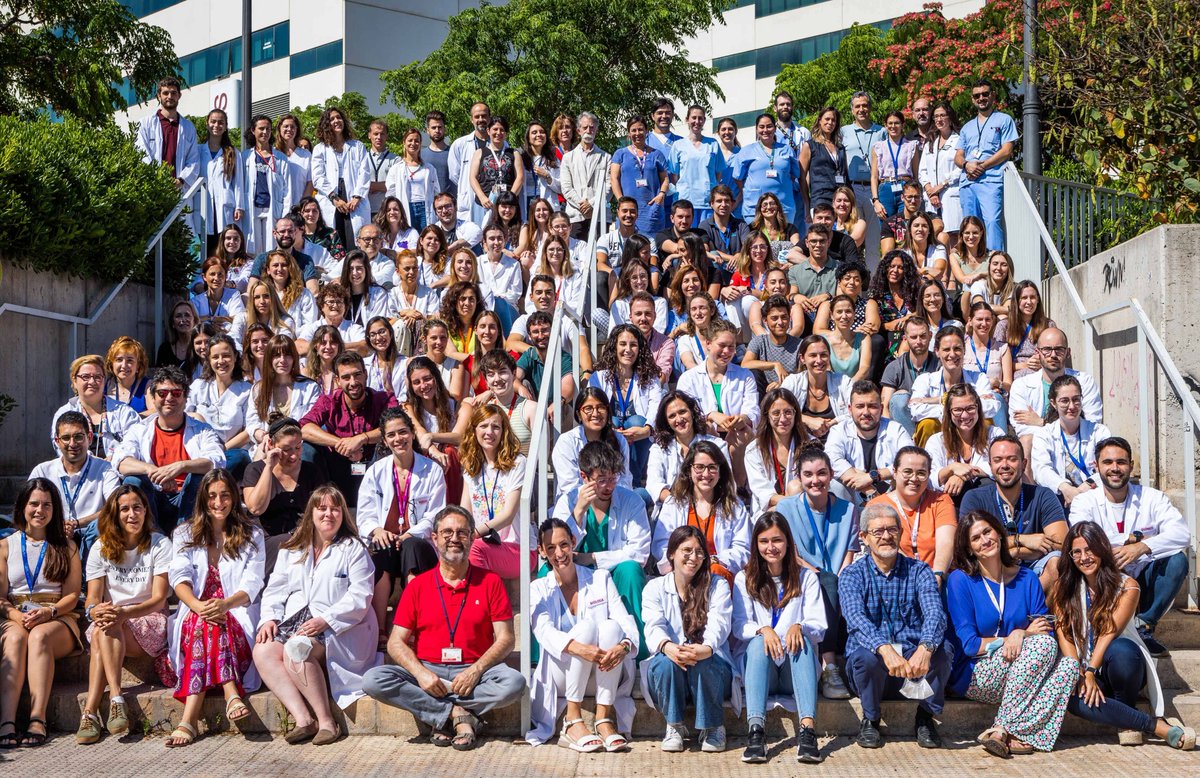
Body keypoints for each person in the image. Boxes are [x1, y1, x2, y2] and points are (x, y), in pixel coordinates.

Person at [361, 505, 527, 750]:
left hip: (476, 672)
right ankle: (456, 714)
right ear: (435, 538)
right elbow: (396, 642)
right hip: (428, 671)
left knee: (514, 683)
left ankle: (438, 713)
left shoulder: (490, 581)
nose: (454, 539)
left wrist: (476, 670)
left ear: (472, 537)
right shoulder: (418, 586)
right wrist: (421, 674)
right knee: (373, 679)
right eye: (447, 532)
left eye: (462, 533)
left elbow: (506, 639)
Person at [1051, 521, 1196, 749]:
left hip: (1119, 668)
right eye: (1076, 552)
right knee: (1072, 699)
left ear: (1102, 549)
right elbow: (1064, 632)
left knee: (1122, 651)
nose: (1084, 557)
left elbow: (1109, 631)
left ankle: (1126, 709)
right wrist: (1077, 671)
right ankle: (1153, 725)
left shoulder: (1127, 586)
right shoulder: (1063, 587)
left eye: (1090, 549)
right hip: (1083, 665)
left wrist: (1090, 671)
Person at [945, 510, 1077, 758]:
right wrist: (1016, 636)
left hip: (1021, 669)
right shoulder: (960, 580)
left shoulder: (1027, 578)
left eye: (987, 532)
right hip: (977, 672)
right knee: (1041, 646)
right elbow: (971, 646)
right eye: (976, 538)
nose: (985, 540)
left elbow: (1045, 631)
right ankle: (1009, 729)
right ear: (969, 549)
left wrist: (1022, 635)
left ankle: (1012, 733)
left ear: (999, 533)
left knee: (1069, 666)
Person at [254, 486, 377, 746]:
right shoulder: (292, 548)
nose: (328, 514)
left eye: (335, 508)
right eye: (322, 508)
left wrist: (327, 620)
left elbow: (361, 596)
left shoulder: (353, 548)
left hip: (340, 626)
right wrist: (269, 618)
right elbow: (275, 587)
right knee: (263, 651)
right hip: (298, 622)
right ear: (311, 512)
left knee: (296, 650)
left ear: (343, 514)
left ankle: (327, 723)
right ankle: (303, 719)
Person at [164, 469, 266, 747]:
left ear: (234, 497)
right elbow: (179, 577)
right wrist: (198, 606)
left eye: (224, 495)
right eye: (211, 496)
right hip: (196, 612)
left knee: (210, 621)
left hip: (237, 612)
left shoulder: (251, 533)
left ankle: (188, 720)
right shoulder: (184, 533)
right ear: (202, 500)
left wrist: (225, 604)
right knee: (203, 621)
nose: (218, 502)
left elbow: (252, 584)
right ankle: (231, 689)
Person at [839, 502, 949, 749]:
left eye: (892, 530)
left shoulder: (919, 571)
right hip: (873, 670)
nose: (886, 536)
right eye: (877, 532)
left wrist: (926, 648)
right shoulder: (852, 575)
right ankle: (871, 719)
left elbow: (935, 612)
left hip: (912, 670)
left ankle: (924, 717)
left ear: (901, 533)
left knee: (943, 651)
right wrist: (884, 649)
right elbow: (856, 619)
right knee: (864, 657)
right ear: (864, 538)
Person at [1069, 437, 1191, 657]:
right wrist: (1129, 541)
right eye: (1107, 462)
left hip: (1144, 578)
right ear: (1096, 467)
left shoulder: (1153, 498)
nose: (1115, 468)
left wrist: (1142, 546)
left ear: (1131, 466)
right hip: (1106, 578)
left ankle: (1144, 626)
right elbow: (1082, 537)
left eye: (1121, 462)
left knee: (1177, 560)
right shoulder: (1083, 501)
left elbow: (1182, 534)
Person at [526, 517, 638, 750]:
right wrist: (580, 648)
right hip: (562, 677)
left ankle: (603, 718)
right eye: (551, 548)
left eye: (564, 544)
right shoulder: (538, 589)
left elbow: (626, 623)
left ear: (574, 542)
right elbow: (543, 631)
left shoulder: (600, 578)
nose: (559, 553)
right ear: (542, 551)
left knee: (611, 628)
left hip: (602, 673)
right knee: (586, 629)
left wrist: (623, 646)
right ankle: (572, 719)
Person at [76, 485, 173, 744]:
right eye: (125, 509)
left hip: (149, 619)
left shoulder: (159, 544)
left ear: (145, 511)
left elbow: (159, 598)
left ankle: (93, 709)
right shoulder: (101, 547)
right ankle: (111, 703)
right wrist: (95, 609)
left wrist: (123, 612)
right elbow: (94, 598)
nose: (132, 514)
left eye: (137, 507)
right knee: (104, 626)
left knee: (106, 627)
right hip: (113, 621)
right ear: (115, 514)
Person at [733, 513, 826, 763]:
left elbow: (819, 625)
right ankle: (756, 732)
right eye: (764, 541)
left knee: (803, 642)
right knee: (755, 643)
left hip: (792, 671)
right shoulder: (744, 578)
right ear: (756, 545)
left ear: (788, 543)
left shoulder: (806, 578)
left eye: (777, 540)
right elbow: (739, 626)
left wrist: (800, 626)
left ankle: (807, 732)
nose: (771, 547)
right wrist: (763, 630)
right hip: (760, 668)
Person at [0, 479, 83, 747]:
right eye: (33, 503)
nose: (39, 510)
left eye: (46, 504)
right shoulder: (5, 546)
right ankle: (7, 721)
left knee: (38, 637)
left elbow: (72, 595)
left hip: (57, 617)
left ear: (54, 509)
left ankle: (38, 719)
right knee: (15, 639)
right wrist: (15, 616)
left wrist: (50, 611)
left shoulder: (66, 546)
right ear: (23, 507)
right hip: (15, 614)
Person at [642, 525, 735, 753]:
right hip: (670, 673)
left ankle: (713, 726)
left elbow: (720, 624)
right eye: (687, 550)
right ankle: (674, 725)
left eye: (699, 552)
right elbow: (653, 627)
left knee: (705, 662)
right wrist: (668, 647)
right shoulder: (654, 587)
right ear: (672, 553)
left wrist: (704, 649)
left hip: (710, 668)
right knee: (665, 663)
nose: (694, 557)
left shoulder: (717, 585)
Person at [775, 449, 859, 700]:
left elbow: (850, 551)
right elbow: (789, 551)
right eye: (808, 475)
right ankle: (829, 665)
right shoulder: (786, 507)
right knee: (826, 583)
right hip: (800, 573)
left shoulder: (848, 509)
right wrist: (818, 573)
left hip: (837, 575)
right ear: (799, 478)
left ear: (831, 475)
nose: (816, 480)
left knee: (836, 582)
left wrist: (842, 577)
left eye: (822, 473)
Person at [356, 407, 443, 638]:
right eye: (392, 435)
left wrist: (409, 534)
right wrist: (377, 530)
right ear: (384, 440)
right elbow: (364, 514)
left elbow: (435, 514)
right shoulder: (376, 471)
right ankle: (380, 627)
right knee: (381, 547)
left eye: (403, 432)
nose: (398, 439)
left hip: (418, 544)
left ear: (413, 433)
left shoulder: (432, 470)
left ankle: (411, 624)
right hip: (387, 544)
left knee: (412, 547)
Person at [115, 367, 224, 529]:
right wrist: (154, 472)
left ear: (186, 398)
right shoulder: (139, 429)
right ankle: (153, 536)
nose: (169, 398)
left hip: (187, 498)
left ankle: (184, 532)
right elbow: (121, 462)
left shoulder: (203, 430)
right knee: (133, 481)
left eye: (176, 393)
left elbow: (216, 461)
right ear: (153, 397)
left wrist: (181, 466)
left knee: (199, 478)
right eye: (162, 393)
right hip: (152, 497)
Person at [300, 352, 397, 502]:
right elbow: (305, 427)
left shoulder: (384, 398)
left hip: (374, 464)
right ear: (338, 381)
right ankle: (319, 504)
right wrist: (342, 443)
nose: (353, 382)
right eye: (346, 377)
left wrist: (361, 439)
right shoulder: (329, 401)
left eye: (357, 375)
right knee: (307, 448)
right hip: (338, 465)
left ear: (365, 375)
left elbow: (395, 424)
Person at [652, 441, 750, 586]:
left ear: (720, 471)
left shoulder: (734, 506)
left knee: (716, 571)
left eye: (712, 467)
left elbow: (743, 548)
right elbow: (661, 545)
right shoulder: (673, 503)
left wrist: (714, 560)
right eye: (699, 467)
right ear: (689, 470)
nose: (706, 474)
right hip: (683, 572)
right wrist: (687, 562)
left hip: (719, 574)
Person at [32, 411, 121, 562]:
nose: (72, 444)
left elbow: (115, 506)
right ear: (57, 441)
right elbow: (28, 508)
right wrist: (56, 525)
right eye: (66, 438)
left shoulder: (105, 469)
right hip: (53, 533)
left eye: (78, 437)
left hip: (92, 537)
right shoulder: (42, 471)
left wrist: (77, 523)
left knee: (100, 527)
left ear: (90, 438)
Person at [241, 417, 326, 574]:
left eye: (298, 448)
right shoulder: (255, 470)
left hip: (306, 537)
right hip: (268, 541)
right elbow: (255, 508)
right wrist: (268, 467)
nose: (293, 456)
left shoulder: (311, 471)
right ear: (271, 445)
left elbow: (321, 508)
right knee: (289, 543)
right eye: (286, 449)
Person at [459, 405, 534, 580]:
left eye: (496, 427)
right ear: (474, 430)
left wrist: (473, 534)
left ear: (503, 431)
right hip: (482, 543)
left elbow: (508, 515)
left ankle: (483, 602)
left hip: (518, 548)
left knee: (472, 549)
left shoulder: (517, 463)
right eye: (483, 426)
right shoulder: (472, 467)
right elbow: (465, 512)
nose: (489, 432)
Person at [589, 325, 663, 489]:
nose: (628, 350)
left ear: (640, 349)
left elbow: (656, 409)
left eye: (633, 345)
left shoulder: (650, 378)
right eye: (623, 344)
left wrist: (647, 429)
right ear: (614, 346)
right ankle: (614, 480)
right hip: (609, 438)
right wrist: (611, 429)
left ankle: (633, 482)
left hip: (640, 440)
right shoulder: (598, 378)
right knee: (613, 419)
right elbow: (593, 408)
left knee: (636, 420)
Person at [1009, 327, 1102, 458]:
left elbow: (1092, 423)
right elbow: (1022, 428)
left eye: (1059, 349)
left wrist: (1042, 422)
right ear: (1037, 353)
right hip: (1039, 448)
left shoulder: (1085, 382)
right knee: (1027, 441)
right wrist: (1063, 429)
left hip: (1078, 446)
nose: (1053, 355)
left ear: (1068, 352)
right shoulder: (1021, 385)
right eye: (1047, 350)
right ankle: (1027, 480)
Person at [866, 446, 955, 579]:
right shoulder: (877, 506)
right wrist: (917, 579)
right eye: (907, 472)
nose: (914, 478)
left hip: (936, 576)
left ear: (929, 474)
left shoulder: (941, 500)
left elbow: (946, 544)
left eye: (921, 473)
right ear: (895, 472)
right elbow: (888, 549)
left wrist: (937, 575)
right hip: (898, 578)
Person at [826, 379, 915, 503]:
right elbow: (833, 461)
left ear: (881, 408)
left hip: (893, 498)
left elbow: (910, 461)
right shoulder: (839, 430)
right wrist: (870, 490)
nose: (866, 412)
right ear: (850, 409)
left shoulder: (895, 429)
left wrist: (872, 476)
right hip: (854, 500)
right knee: (835, 485)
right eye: (860, 406)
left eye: (872, 406)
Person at [907, 326, 998, 447]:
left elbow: (991, 407)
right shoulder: (925, 380)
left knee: (986, 422)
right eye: (946, 349)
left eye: (957, 349)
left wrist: (942, 401)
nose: (952, 354)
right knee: (927, 424)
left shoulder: (979, 378)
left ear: (964, 350)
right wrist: (957, 410)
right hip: (938, 438)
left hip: (971, 433)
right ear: (937, 351)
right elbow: (915, 410)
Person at [678, 318, 759, 453]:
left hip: (736, 436)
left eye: (731, 346)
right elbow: (683, 414)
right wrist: (710, 415)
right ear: (708, 344)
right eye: (722, 345)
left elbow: (752, 410)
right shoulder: (688, 378)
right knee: (707, 430)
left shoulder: (745, 375)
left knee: (742, 434)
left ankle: (736, 475)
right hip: (702, 436)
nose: (727, 351)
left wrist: (742, 419)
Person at [955, 79, 1019, 251]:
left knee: (991, 221)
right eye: (977, 95)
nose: (981, 98)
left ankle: (995, 262)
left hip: (990, 180)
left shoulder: (1004, 120)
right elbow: (958, 156)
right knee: (969, 227)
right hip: (968, 182)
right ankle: (972, 264)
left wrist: (982, 166)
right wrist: (966, 164)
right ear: (972, 99)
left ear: (992, 95)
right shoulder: (967, 127)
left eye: (985, 94)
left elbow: (1007, 150)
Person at [1032, 375, 1111, 508]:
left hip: (1095, 497)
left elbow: (1108, 466)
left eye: (1076, 399)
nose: (1072, 406)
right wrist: (1065, 488)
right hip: (1060, 500)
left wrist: (1082, 490)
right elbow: (1041, 469)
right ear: (1053, 403)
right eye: (1064, 401)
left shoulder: (1099, 432)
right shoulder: (1044, 434)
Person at [646, 391, 730, 513]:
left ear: (692, 412)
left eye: (682, 412)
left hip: (711, 508)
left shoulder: (718, 445)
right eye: (672, 416)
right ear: (666, 422)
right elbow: (654, 484)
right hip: (672, 509)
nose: (679, 419)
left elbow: (726, 481)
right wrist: (679, 505)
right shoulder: (658, 449)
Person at [185, 333, 251, 478]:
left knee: (240, 458)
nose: (221, 361)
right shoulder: (198, 386)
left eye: (226, 355)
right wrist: (197, 417)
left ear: (235, 356)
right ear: (208, 360)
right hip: (202, 451)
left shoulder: (247, 390)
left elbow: (249, 430)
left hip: (232, 451)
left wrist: (222, 448)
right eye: (215, 357)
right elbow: (183, 417)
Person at [51, 354, 141, 461]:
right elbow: (61, 447)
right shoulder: (64, 413)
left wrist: (115, 458)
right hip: (79, 469)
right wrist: (91, 462)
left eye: (97, 377)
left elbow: (135, 443)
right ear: (75, 381)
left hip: (116, 470)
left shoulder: (124, 412)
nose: (92, 382)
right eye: (86, 377)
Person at [245, 334, 321, 453]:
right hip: (268, 444)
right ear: (269, 359)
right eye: (276, 355)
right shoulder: (258, 389)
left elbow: (311, 423)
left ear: (294, 358)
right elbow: (252, 422)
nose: (282, 360)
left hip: (298, 446)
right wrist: (262, 435)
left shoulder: (310, 387)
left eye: (287, 355)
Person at [924, 383, 1003, 498]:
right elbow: (930, 480)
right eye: (957, 410)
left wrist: (961, 475)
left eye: (970, 408)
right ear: (949, 412)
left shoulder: (995, 434)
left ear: (978, 408)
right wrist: (952, 468)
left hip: (984, 501)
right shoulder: (936, 441)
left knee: (986, 483)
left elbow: (1001, 464)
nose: (965, 415)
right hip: (949, 501)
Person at [311, 107, 373, 248]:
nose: (336, 121)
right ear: (326, 124)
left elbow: (364, 173)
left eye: (338, 117)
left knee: (355, 240)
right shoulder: (320, 149)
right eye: (332, 119)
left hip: (354, 198)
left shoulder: (357, 146)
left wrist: (357, 197)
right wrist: (334, 198)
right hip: (331, 197)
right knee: (334, 240)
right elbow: (318, 177)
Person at [839, 92, 885, 268]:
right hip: (852, 189)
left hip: (875, 189)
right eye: (857, 106)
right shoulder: (844, 132)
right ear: (852, 110)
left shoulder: (881, 131)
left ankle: (872, 285)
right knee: (852, 238)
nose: (861, 109)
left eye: (865, 105)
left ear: (870, 108)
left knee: (873, 239)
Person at [744, 388, 808, 516]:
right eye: (776, 413)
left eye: (788, 412)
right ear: (767, 416)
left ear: (796, 414)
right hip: (769, 512)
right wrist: (790, 504)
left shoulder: (809, 444)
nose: (783, 419)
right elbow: (763, 492)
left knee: (795, 487)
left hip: (803, 509)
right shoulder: (754, 450)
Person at [780, 335, 852, 443]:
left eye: (823, 355)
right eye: (813, 355)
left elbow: (856, 412)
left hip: (839, 444)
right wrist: (807, 420)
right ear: (802, 358)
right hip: (799, 445)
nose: (819, 360)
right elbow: (777, 411)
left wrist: (832, 423)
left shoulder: (844, 381)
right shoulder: (792, 382)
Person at [731, 113, 800, 225]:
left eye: (769, 126)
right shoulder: (746, 151)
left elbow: (794, 175)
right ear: (757, 129)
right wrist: (752, 188)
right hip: (754, 208)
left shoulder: (787, 150)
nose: (765, 130)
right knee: (758, 241)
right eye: (761, 127)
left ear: (775, 127)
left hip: (784, 207)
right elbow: (738, 177)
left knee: (782, 242)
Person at [134, 77, 199, 194]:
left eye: (173, 93)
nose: (170, 96)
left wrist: (181, 180)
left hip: (179, 189)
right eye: (165, 93)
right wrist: (157, 178)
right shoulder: (145, 124)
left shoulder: (189, 127)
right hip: (153, 187)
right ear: (159, 96)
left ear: (179, 95)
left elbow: (194, 159)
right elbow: (141, 154)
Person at [609, 115, 669, 234]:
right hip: (628, 210)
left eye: (641, 129)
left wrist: (661, 194)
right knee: (627, 244)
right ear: (629, 133)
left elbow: (665, 178)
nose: (638, 133)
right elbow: (614, 179)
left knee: (652, 246)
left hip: (651, 208)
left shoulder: (657, 154)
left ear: (647, 131)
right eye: (634, 130)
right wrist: (621, 200)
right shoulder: (620, 154)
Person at [880, 317, 940, 434]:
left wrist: (921, 401)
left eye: (923, 336)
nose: (918, 341)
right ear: (905, 338)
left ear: (930, 335)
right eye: (913, 337)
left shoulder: (940, 364)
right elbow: (885, 407)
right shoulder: (895, 367)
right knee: (899, 399)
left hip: (932, 421)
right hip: (903, 425)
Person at [242, 115, 292, 255]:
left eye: (268, 129)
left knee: (273, 249)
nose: (265, 132)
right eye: (261, 128)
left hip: (273, 208)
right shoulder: (245, 156)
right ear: (253, 130)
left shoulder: (280, 157)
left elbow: (287, 188)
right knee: (252, 250)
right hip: (253, 207)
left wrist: (285, 214)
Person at [198, 109, 245, 255]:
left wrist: (239, 206)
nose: (216, 125)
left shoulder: (232, 152)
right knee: (205, 243)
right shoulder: (198, 150)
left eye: (220, 122)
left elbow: (239, 182)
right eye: (213, 121)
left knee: (223, 241)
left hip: (225, 204)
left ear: (225, 127)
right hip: (202, 204)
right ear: (207, 124)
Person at [466, 115, 525, 231]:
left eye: (502, 130)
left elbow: (520, 177)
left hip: (507, 206)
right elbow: (472, 178)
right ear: (488, 131)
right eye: (495, 129)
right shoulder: (479, 153)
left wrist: (510, 199)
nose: (498, 132)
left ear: (506, 133)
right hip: (486, 203)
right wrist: (482, 198)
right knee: (483, 234)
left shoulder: (514, 153)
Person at [870, 111, 920, 247]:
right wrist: (875, 201)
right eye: (890, 123)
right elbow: (874, 176)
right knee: (887, 229)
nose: (893, 126)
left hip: (906, 187)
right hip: (885, 188)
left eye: (897, 123)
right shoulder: (878, 147)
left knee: (905, 227)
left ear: (902, 125)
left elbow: (916, 175)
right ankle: (889, 262)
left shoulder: (911, 146)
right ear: (885, 126)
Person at [918, 102, 962, 249]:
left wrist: (942, 185)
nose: (939, 119)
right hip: (932, 197)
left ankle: (953, 272)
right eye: (936, 116)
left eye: (943, 115)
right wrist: (930, 190)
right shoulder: (930, 142)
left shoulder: (959, 140)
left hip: (950, 193)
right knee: (935, 236)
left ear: (950, 117)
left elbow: (960, 169)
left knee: (953, 236)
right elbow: (922, 171)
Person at [670, 106, 722, 225]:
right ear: (687, 119)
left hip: (707, 202)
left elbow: (718, 172)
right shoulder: (678, 146)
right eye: (694, 118)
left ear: (704, 120)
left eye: (700, 118)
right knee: (687, 239)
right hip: (685, 201)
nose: (697, 122)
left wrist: (710, 188)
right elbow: (675, 175)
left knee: (705, 238)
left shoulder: (713, 144)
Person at [964, 300, 1011, 428]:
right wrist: (985, 385)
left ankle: (1001, 441)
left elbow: (1008, 384)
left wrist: (998, 383)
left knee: (995, 397)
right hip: (969, 399)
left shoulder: (1002, 348)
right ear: (970, 321)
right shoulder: (962, 347)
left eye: (988, 319)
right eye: (979, 319)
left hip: (995, 398)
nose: (984, 324)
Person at [996, 280, 1055, 379]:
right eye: (1024, 298)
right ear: (1017, 301)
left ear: (1038, 300)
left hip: (1043, 374)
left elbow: (1056, 354)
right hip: (1016, 377)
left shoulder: (1048, 325)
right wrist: (1023, 365)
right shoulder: (1003, 326)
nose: (1029, 302)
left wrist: (1043, 362)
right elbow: (996, 362)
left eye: (1032, 297)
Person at [870, 249, 922, 358]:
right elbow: (874, 325)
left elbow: (926, 311)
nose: (895, 270)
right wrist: (890, 325)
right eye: (892, 266)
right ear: (885, 268)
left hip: (911, 341)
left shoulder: (914, 292)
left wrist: (909, 317)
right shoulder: (877, 295)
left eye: (900, 267)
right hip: (885, 344)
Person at [743, 295, 802, 390]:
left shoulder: (800, 345)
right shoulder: (760, 341)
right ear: (765, 320)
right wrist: (774, 365)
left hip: (792, 392)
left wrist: (783, 384)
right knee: (753, 373)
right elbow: (745, 364)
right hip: (765, 393)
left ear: (789, 318)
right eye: (774, 318)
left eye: (784, 317)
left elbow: (804, 375)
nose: (780, 322)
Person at [799, 105, 848, 216]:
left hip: (840, 199)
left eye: (833, 120)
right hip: (820, 198)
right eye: (827, 119)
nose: (830, 122)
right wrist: (807, 204)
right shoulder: (810, 145)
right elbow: (802, 178)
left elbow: (845, 174)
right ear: (820, 120)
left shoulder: (840, 147)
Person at [296, 282, 368, 356]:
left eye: (339, 302)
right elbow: (299, 346)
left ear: (345, 306)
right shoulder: (314, 327)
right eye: (330, 302)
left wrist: (329, 348)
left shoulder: (353, 328)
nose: (335, 305)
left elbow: (364, 347)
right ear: (322, 306)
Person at [820, 294, 873, 380]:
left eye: (848, 311)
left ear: (854, 314)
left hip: (855, 387)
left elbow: (864, 369)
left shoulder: (864, 339)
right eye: (839, 312)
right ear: (832, 315)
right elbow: (827, 371)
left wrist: (848, 387)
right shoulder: (823, 341)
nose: (844, 316)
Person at [628, 291, 675, 384]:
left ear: (655, 316)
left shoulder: (666, 343)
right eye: (638, 314)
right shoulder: (622, 341)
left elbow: (662, 375)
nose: (643, 318)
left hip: (655, 390)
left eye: (648, 314)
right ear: (631, 317)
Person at [520, 122, 561, 218]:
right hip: (527, 204)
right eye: (534, 132)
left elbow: (561, 188)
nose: (539, 135)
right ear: (528, 138)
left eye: (542, 132)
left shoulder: (553, 158)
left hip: (547, 205)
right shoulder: (522, 158)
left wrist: (547, 176)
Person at [104, 336, 152, 416]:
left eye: (130, 360)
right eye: (119, 360)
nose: (124, 365)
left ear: (138, 365)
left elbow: (155, 411)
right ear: (111, 364)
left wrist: (129, 420)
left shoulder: (147, 385)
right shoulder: (104, 385)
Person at [276, 114, 312, 214]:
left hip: (299, 208)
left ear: (297, 130)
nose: (289, 129)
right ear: (279, 129)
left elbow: (310, 182)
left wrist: (302, 205)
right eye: (286, 126)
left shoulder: (305, 155)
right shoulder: (273, 154)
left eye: (293, 127)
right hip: (277, 208)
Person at [967, 250, 1015, 320]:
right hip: (981, 323)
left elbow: (1005, 313)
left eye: (1004, 265)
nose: (998, 268)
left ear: (1009, 269)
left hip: (1002, 324)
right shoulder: (979, 285)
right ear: (989, 266)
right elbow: (980, 307)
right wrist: (1009, 310)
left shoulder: (1014, 288)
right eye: (995, 264)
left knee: (1003, 317)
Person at [364, 120, 397, 218]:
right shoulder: (361, 159)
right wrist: (382, 186)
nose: (379, 137)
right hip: (365, 210)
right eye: (375, 134)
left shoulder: (396, 160)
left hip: (387, 211)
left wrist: (370, 185)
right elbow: (357, 185)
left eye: (382, 134)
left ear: (387, 136)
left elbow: (395, 186)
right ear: (369, 135)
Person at [423, 110, 451, 197]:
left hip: (450, 205)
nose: (437, 130)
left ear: (444, 129)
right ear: (427, 130)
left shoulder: (453, 152)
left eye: (440, 127)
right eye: (433, 127)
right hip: (427, 204)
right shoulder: (420, 155)